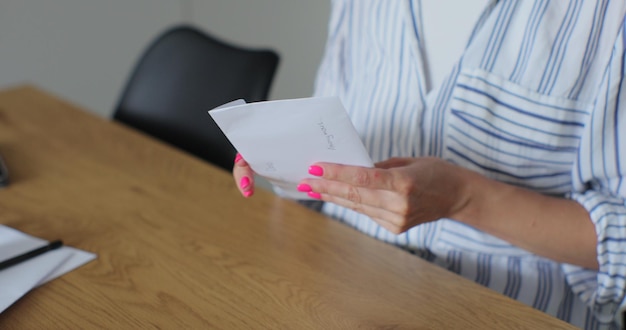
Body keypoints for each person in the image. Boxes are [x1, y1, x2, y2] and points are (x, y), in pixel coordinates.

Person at [233, 1, 626, 328]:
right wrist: (283, 161)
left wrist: (463, 198)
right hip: (342, 301)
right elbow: (328, 146)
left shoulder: (605, 15)